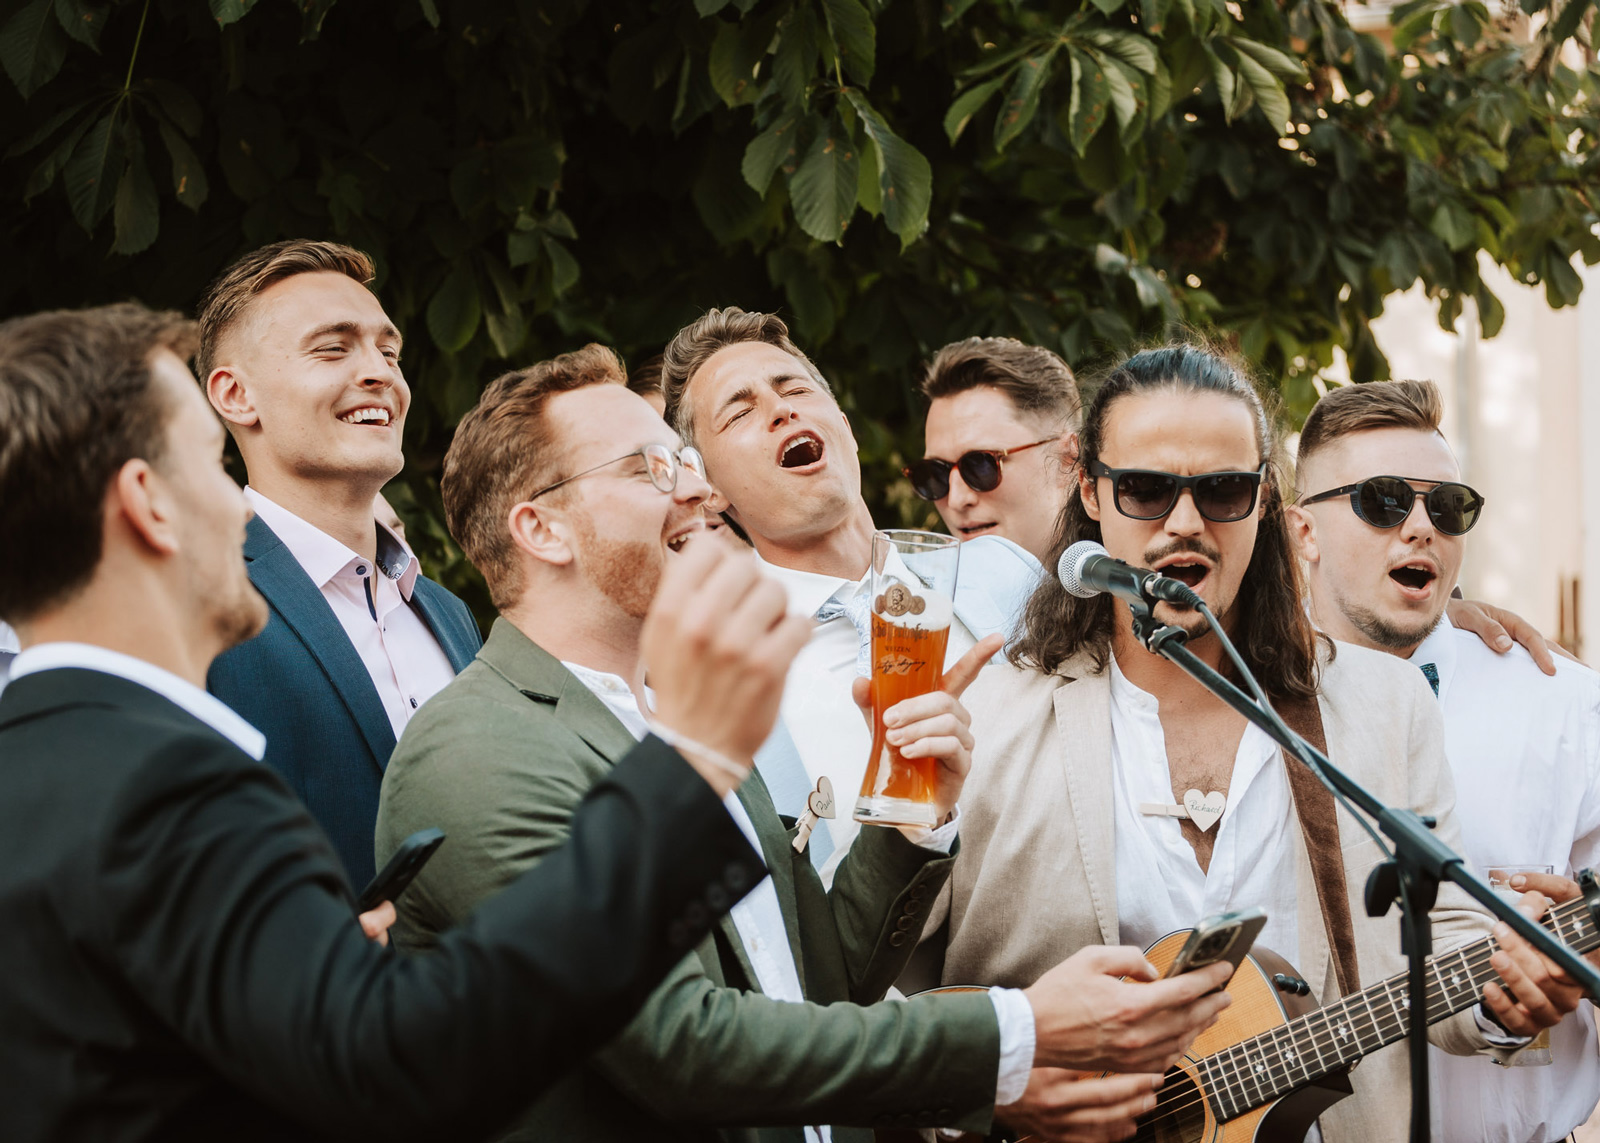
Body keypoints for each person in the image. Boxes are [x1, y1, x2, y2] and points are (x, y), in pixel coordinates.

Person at [376, 344, 1236, 1143]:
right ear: (543, 530)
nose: (700, 494)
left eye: (685, 465)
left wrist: (908, 812)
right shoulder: (475, 749)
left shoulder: (682, 714)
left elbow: (817, 975)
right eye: (652, 469)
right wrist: (1022, 1026)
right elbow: (677, 1045)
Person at [0, 303, 795, 1140]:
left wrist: (309, 975)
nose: (241, 512)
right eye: (211, 465)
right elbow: (401, 1062)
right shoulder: (166, 784)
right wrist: (690, 767)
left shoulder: (32, 765)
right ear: (147, 504)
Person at [927, 344, 1584, 1143]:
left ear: (1266, 502)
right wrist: (996, 1085)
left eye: (1223, 490)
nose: (1183, 523)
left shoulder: (1383, 706)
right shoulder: (988, 712)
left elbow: (1433, 945)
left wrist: (1506, 998)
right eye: (1145, 488)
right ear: (1092, 492)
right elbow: (879, 990)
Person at [1289, 378, 1600, 1143]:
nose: (1421, 527)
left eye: (1447, 505)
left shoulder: (1565, 708)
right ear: (1303, 533)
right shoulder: (1230, 695)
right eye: (1383, 500)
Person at [660, 309, 1041, 872]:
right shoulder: (711, 711)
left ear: (844, 424)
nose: (781, 408)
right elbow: (800, 937)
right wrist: (903, 805)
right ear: (708, 489)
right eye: (740, 411)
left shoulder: (1008, 572)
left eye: (794, 388)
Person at [199, 240, 483, 886]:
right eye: (334, 347)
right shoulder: (189, 597)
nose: (381, 371)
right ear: (237, 394)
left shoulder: (449, 612)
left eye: (389, 351)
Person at [913, 336, 1080, 566]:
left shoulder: (1134, 588)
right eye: (935, 473)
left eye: (981, 465)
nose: (956, 500)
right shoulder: (923, 595)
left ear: (1068, 460)